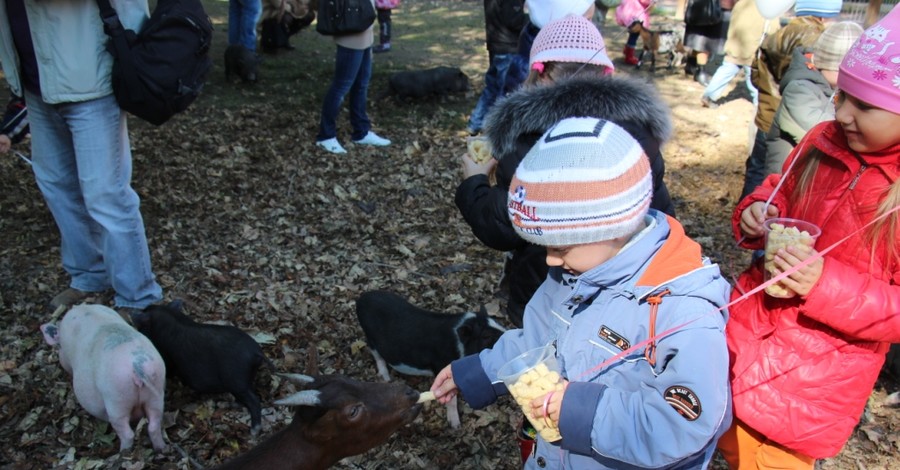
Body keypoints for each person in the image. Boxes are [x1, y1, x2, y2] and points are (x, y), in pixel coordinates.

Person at [433, 116, 732, 469]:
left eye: (561, 246)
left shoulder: (681, 310)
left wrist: (578, 412)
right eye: (542, 245)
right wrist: (482, 372)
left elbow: (683, 425)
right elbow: (538, 341)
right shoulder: (573, 272)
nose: (550, 259)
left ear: (614, 227)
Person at [718, 6, 900, 468]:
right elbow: (777, 187)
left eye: (865, 105)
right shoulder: (821, 139)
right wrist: (760, 211)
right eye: (841, 96)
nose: (842, 113)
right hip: (749, 334)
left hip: (814, 382)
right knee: (725, 443)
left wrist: (823, 284)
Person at [456, 14, 676, 329]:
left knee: (542, 367)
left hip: (547, 292)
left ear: (540, 73)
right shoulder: (637, 133)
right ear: (605, 72)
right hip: (623, 292)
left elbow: (505, 225)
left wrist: (474, 182)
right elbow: (660, 212)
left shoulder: (529, 140)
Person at [0, 0, 164, 316]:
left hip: (90, 78)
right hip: (35, 82)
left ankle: (138, 297)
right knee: (58, 186)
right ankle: (89, 275)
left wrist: (136, 63)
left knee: (106, 193)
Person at [739, 0, 841, 199]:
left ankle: (745, 216)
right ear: (823, 15)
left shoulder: (776, 34)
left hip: (765, 115)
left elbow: (755, 75)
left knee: (756, 170)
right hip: (789, 118)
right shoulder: (816, 42)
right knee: (776, 178)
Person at [763, 21, 862, 177]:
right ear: (823, 63)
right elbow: (823, 131)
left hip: (807, 174)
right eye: (841, 72)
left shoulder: (831, 85)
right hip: (785, 175)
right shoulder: (800, 89)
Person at [315, 0, 391, 154]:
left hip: (364, 28)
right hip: (351, 28)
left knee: (361, 84)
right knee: (341, 86)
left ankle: (361, 131)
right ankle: (326, 135)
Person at [700, 0, 781, 108]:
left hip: (735, 46)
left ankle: (709, 95)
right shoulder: (767, 6)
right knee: (755, 79)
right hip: (753, 49)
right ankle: (760, 105)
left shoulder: (740, 3)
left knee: (726, 70)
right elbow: (773, 29)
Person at [466, 0, 530, 136]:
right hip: (507, 47)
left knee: (492, 88)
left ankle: (475, 124)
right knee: (505, 92)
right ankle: (496, 132)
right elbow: (513, 20)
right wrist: (534, 18)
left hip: (496, 45)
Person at [684, 0, 734, 85]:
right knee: (706, 41)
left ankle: (692, 64)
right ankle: (700, 70)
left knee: (700, 38)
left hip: (703, 6)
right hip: (712, 7)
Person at [615, 0, 653, 65]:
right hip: (636, 15)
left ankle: (627, 51)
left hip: (628, 11)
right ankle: (629, 56)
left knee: (632, 33)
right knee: (634, 35)